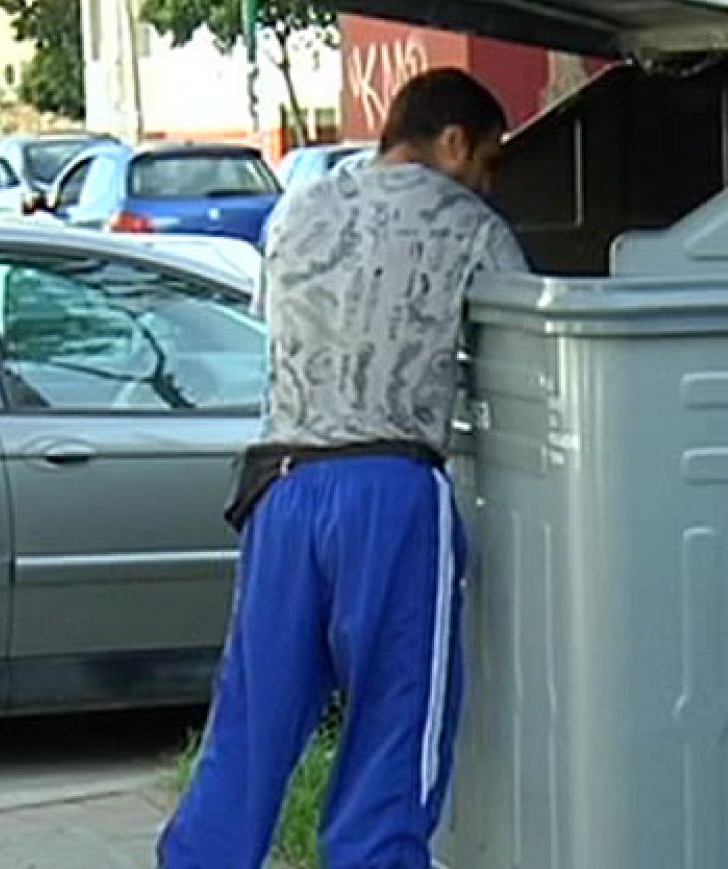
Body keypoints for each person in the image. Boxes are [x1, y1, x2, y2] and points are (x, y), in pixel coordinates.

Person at [158, 68, 529, 869]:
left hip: (281, 487)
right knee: (396, 731)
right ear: (455, 141)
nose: (488, 180)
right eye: (488, 159)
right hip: (390, 488)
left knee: (251, 727)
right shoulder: (469, 221)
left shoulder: (299, 207)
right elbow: (527, 341)